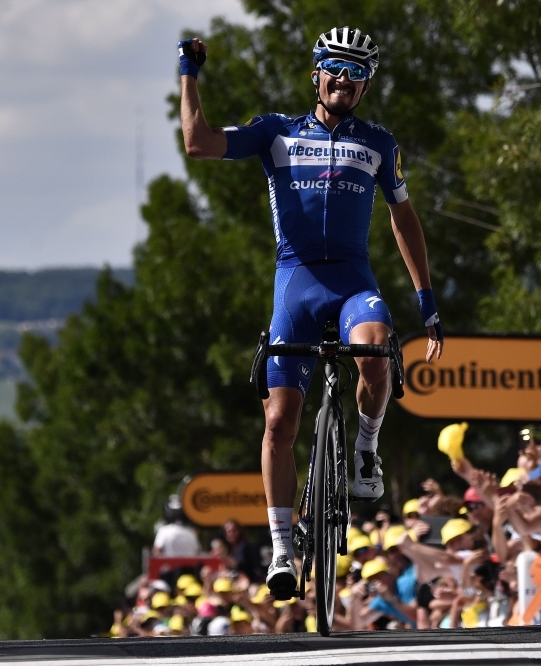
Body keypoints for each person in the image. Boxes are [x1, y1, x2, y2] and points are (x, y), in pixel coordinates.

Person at [178, 27, 444, 599]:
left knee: (376, 354)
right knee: (280, 421)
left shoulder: (378, 142)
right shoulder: (276, 133)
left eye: (357, 75)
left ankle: (365, 449)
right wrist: (189, 73)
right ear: (316, 73)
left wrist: (426, 301)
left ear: (365, 87)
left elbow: (404, 220)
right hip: (296, 281)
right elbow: (197, 142)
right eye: (335, 70)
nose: (344, 82)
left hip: (352, 280)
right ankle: (280, 550)